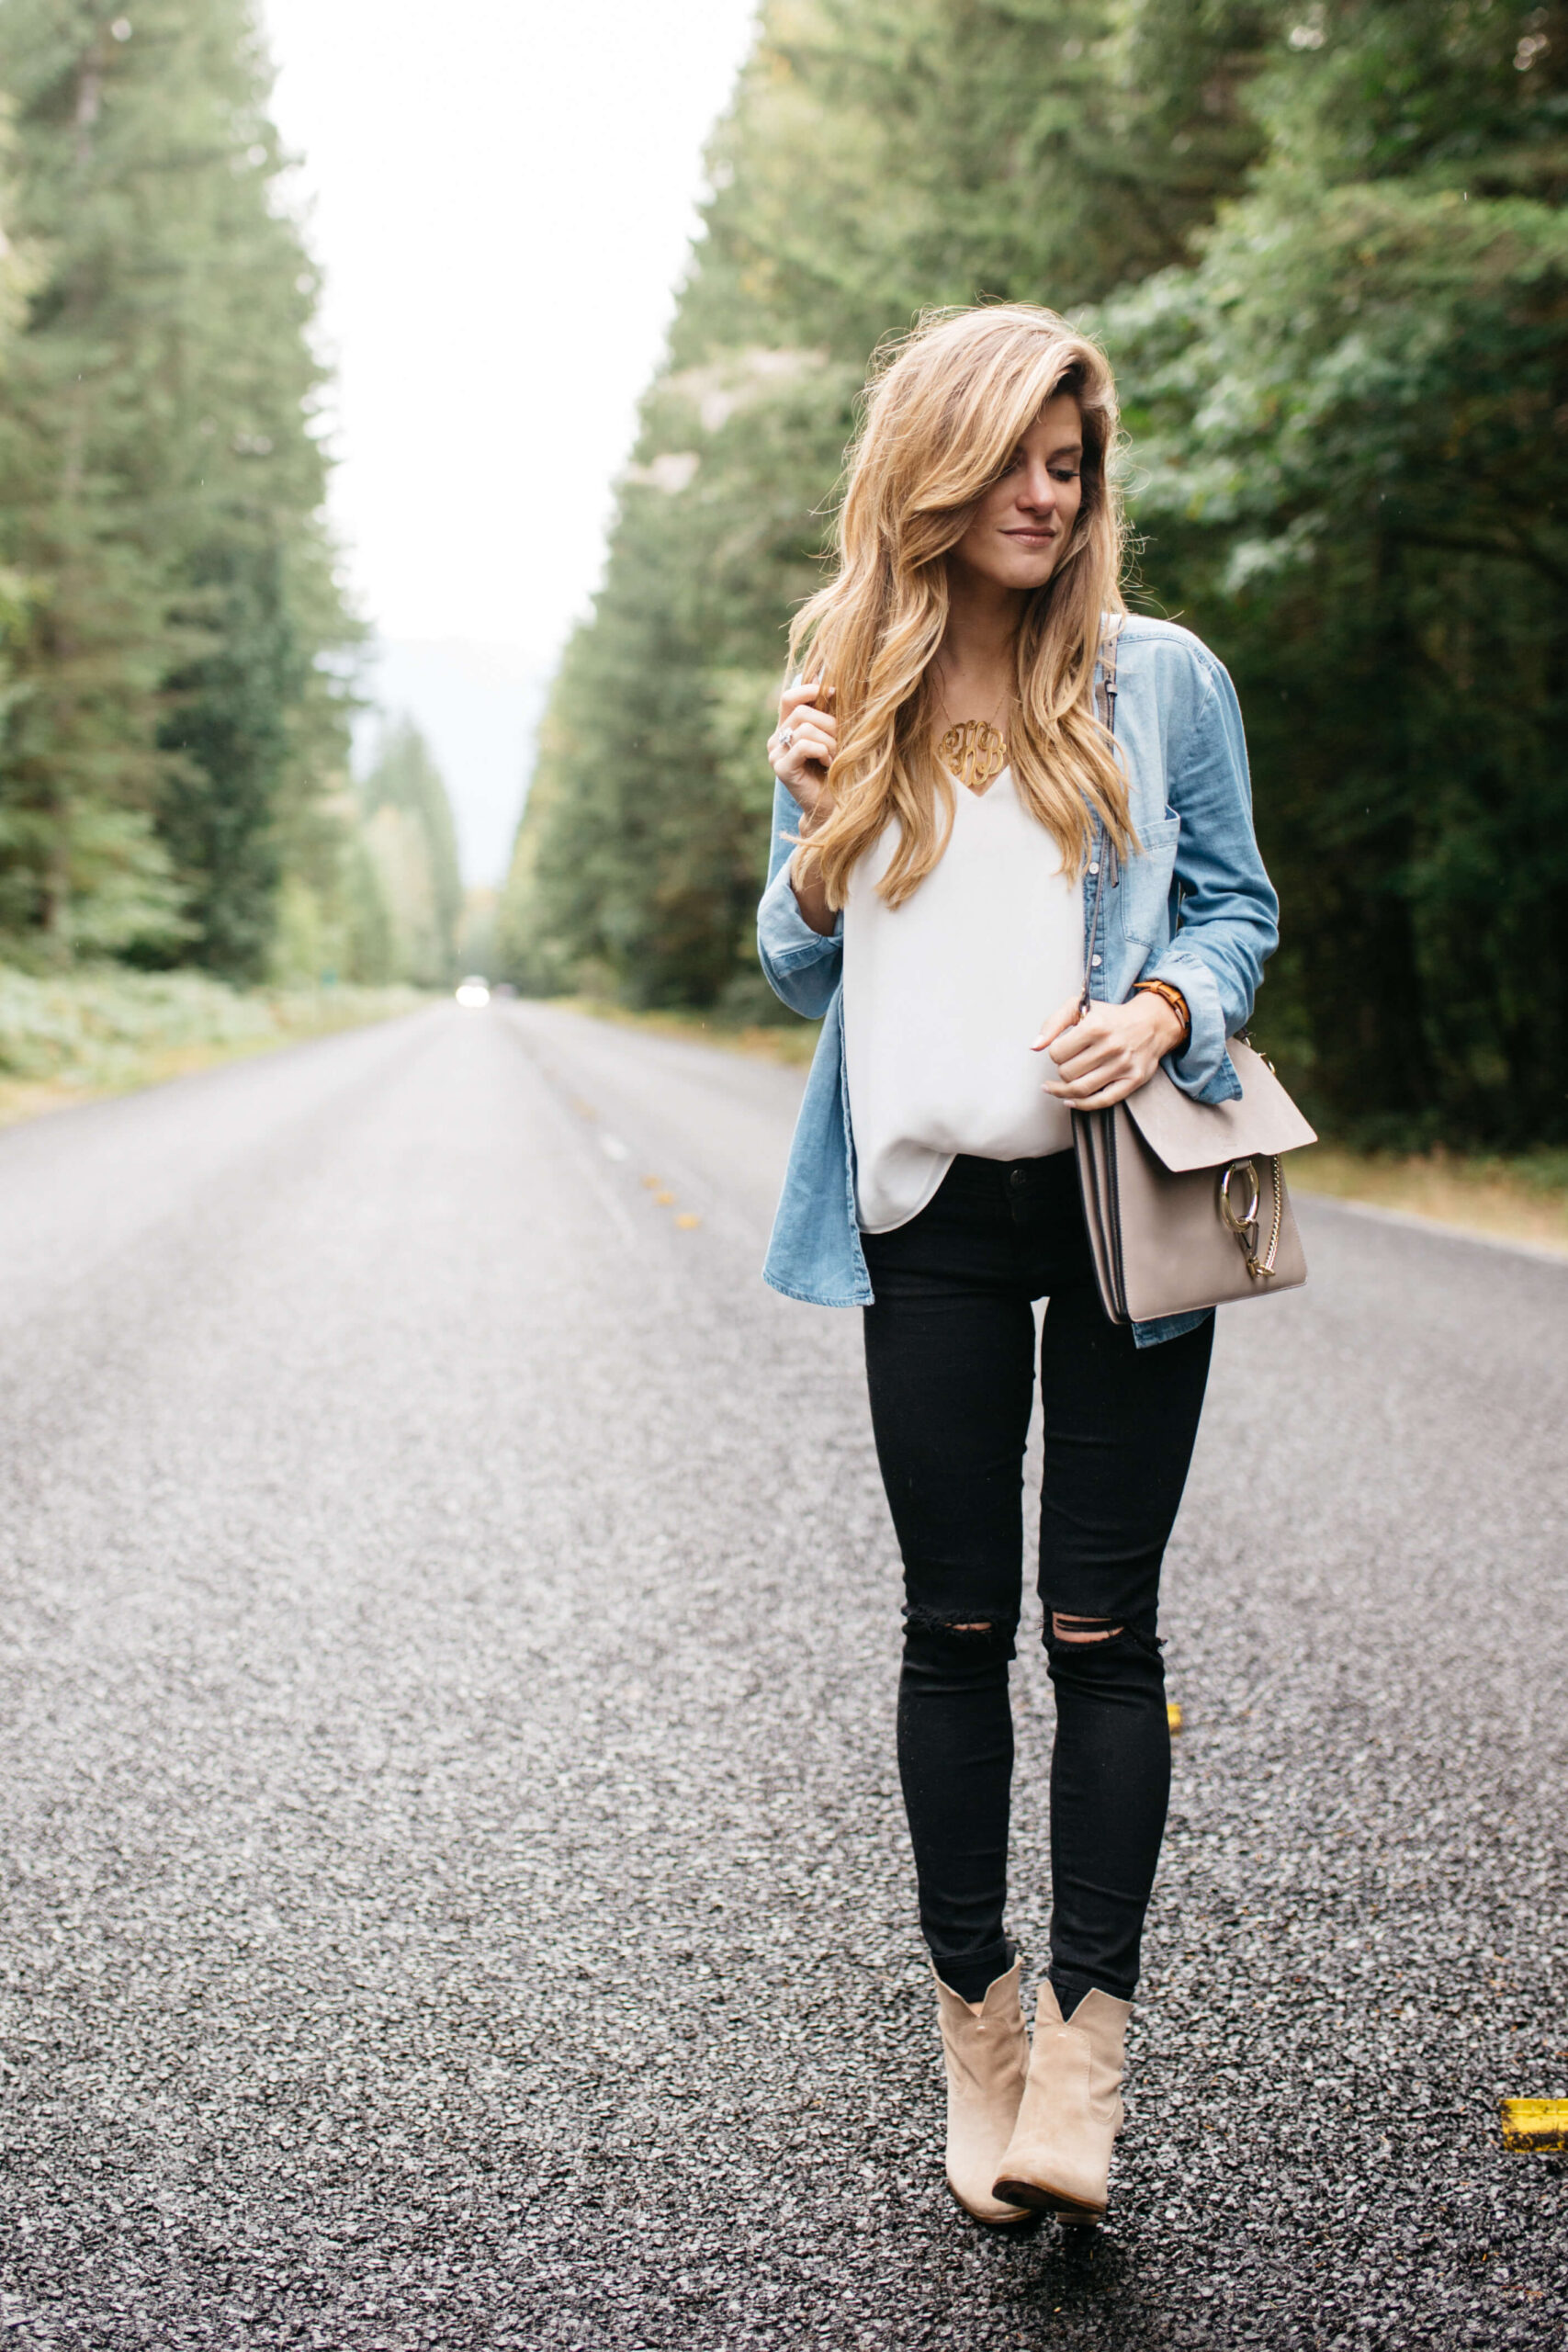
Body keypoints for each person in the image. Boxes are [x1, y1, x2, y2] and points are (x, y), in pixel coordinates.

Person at [756, 305, 1278, 2227]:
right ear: (935, 465)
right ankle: (973, 2026)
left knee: (1098, 1629)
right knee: (953, 1623)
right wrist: (810, 812)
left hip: (1114, 1187)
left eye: (1071, 463)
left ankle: (1082, 2049)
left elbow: (1236, 906)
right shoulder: (846, 670)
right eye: (1014, 461)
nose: (1046, 495)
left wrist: (1156, 1006)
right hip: (930, 1212)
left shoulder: (1161, 680)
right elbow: (798, 963)